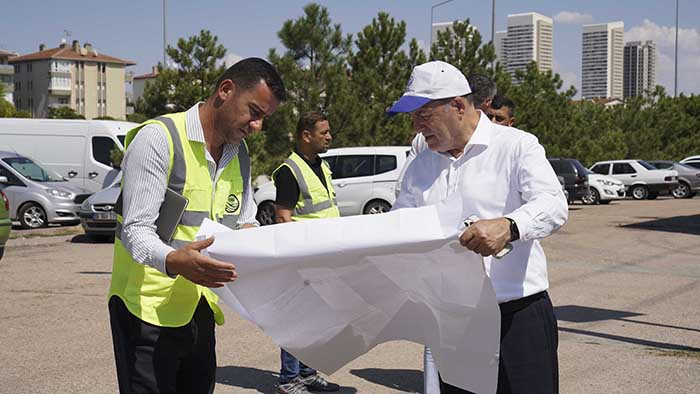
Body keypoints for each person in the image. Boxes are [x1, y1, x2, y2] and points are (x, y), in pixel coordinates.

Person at [388, 60, 567, 394]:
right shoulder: (420, 166)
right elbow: (401, 227)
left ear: (457, 106)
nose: (415, 127)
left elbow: (554, 204)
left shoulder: (516, 146)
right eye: (412, 117)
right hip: (454, 323)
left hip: (517, 317)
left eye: (422, 115)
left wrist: (509, 226)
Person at [108, 58, 286, 394]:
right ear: (225, 90)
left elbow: (243, 222)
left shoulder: (239, 154)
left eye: (265, 118)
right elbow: (135, 230)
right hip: (145, 311)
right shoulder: (158, 138)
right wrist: (175, 261)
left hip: (200, 306)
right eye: (254, 112)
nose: (258, 126)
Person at [271, 111, 341, 394]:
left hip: (323, 257)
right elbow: (283, 218)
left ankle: (307, 373)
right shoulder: (290, 171)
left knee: (316, 320)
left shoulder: (321, 166)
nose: (329, 137)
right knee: (296, 320)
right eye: (323, 132)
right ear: (306, 135)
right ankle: (289, 379)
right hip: (302, 259)